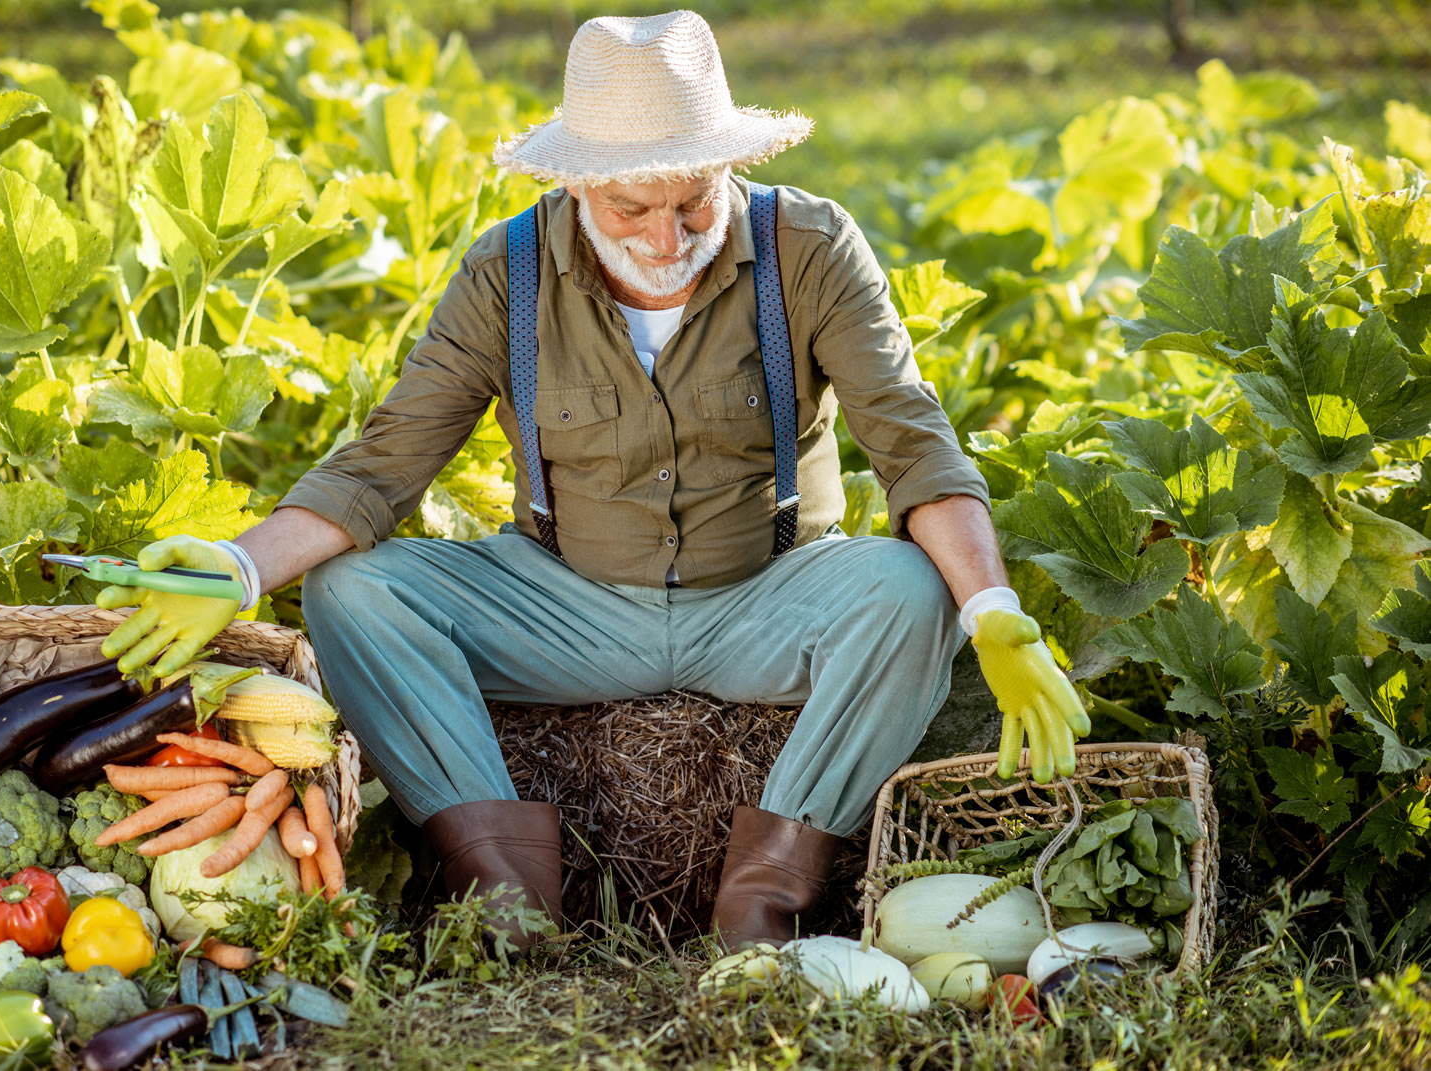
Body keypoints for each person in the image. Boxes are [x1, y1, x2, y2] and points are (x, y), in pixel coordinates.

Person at [96, 10, 1088, 954]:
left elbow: (915, 443)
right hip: (565, 606)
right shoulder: (506, 274)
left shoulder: (810, 250)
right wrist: (235, 568)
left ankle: (762, 906)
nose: (667, 234)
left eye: (695, 197)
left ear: (730, 167)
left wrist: (992, 610)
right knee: (353, 590)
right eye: (633, 205)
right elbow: (384, 463)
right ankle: (506, 903)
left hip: (768, 599)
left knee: (908, 590)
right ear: (575, 186)